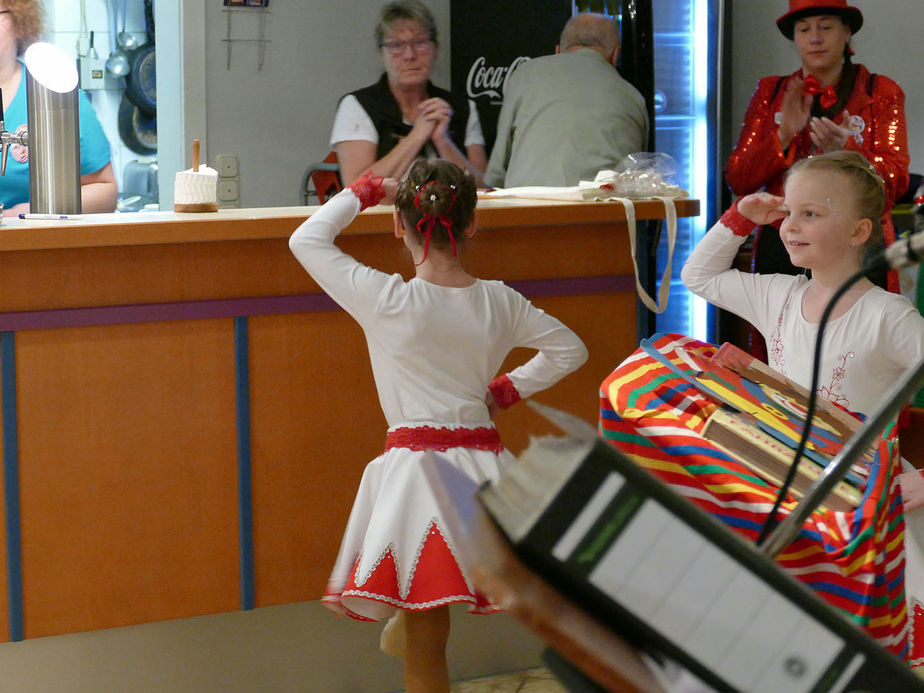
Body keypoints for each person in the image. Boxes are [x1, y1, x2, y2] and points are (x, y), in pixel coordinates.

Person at [288, 159, 587, 692]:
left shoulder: (385, 298)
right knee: (438, 621)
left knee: (425, 634)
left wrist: (361, 191)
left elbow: (307, 241)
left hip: (415, 478)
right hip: (484, 471)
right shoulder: (500, 301)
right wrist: (503, 392)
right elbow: (569, 349)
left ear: (398, 225)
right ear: (472, 225)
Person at [682, 150, 924, 663]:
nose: (790, 225)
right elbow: (698, 276)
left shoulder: (889, 317)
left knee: (868, 652)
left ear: (860, 232)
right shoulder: (778, 297)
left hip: (868, 506)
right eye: (788, 212)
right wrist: (742, 216)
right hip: (789, 490)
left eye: (811, 214)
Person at [725, 0, 909, 294]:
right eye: (804, 29)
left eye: (826, 26)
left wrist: (848, 150)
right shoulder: (771, 91)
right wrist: (782, 135)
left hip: (857, 241)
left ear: (846, 33)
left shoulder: (880, 91)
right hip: (785, 239)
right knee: (783, 337)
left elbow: (896, 182)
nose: (815, 37)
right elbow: (737, 178)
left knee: (858, 335)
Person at [329, 0, 486, 186]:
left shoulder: (461, 107)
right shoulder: (357, 105)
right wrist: (417, 135)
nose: (409, 55)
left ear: (435, 49)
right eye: (396, 46)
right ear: (382, 54)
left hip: (451, 214)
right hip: (383, 215)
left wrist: (443, 141)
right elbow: (355, 189)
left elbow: (483, 188)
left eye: (419, 43)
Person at [483, 12, 648, 189]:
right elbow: (638, 176)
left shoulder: (526, 74)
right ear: (615, 55)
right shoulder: (633, 97)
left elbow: (497, 173)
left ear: (558, 51)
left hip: (529, 210)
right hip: (605, 212)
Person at [0, 0, 117, 216]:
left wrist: (31, 212)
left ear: (20, 22)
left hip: (31, 243)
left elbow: (104, 191)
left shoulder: (54, 93)